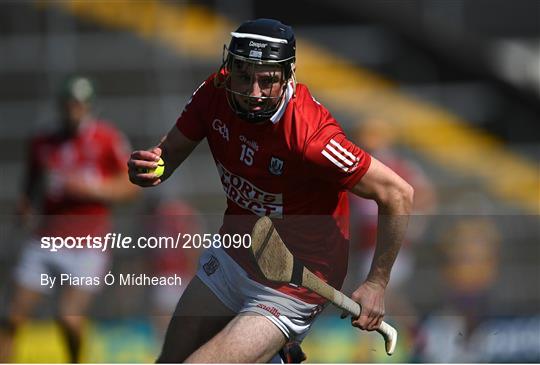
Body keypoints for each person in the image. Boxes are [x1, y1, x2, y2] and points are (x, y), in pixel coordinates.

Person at [128, 18, 413, 363]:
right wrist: (154, 168)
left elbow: (398, 193)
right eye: (244, 76)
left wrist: (377, 284)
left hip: (296, 282)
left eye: (267, 81)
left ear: (287, 77)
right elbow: (169, 154)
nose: (253, 93)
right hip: (235, 254)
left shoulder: (311, 137)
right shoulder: (213, 93)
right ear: (229, 68)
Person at [0, 75, 138, 363]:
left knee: (68, 317)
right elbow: (31, 185)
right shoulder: (43, 141)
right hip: (45, 239)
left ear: (89, 106)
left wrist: (91, 188)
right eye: (69, 104)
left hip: (87, 243)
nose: (74, 110)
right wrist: (25, 207)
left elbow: (130, 185)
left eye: (79, 104)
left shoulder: (106, 139)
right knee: (11, 317)